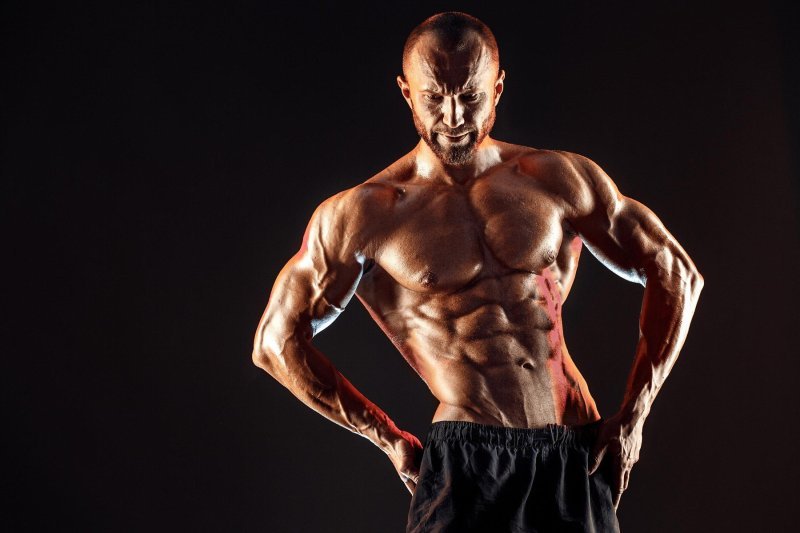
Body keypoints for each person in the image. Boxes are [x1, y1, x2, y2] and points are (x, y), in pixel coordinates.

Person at [252, 11, 704, 533]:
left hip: (576, 449)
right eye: (433, 98)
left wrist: (634, 415)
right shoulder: (365, 213)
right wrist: (386, 437)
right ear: (406, 92)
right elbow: (275, 343)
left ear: (498, 88)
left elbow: (675, 271)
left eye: (470, 96)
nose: (453, 117)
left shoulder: (556, 179)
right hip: (470, 463)